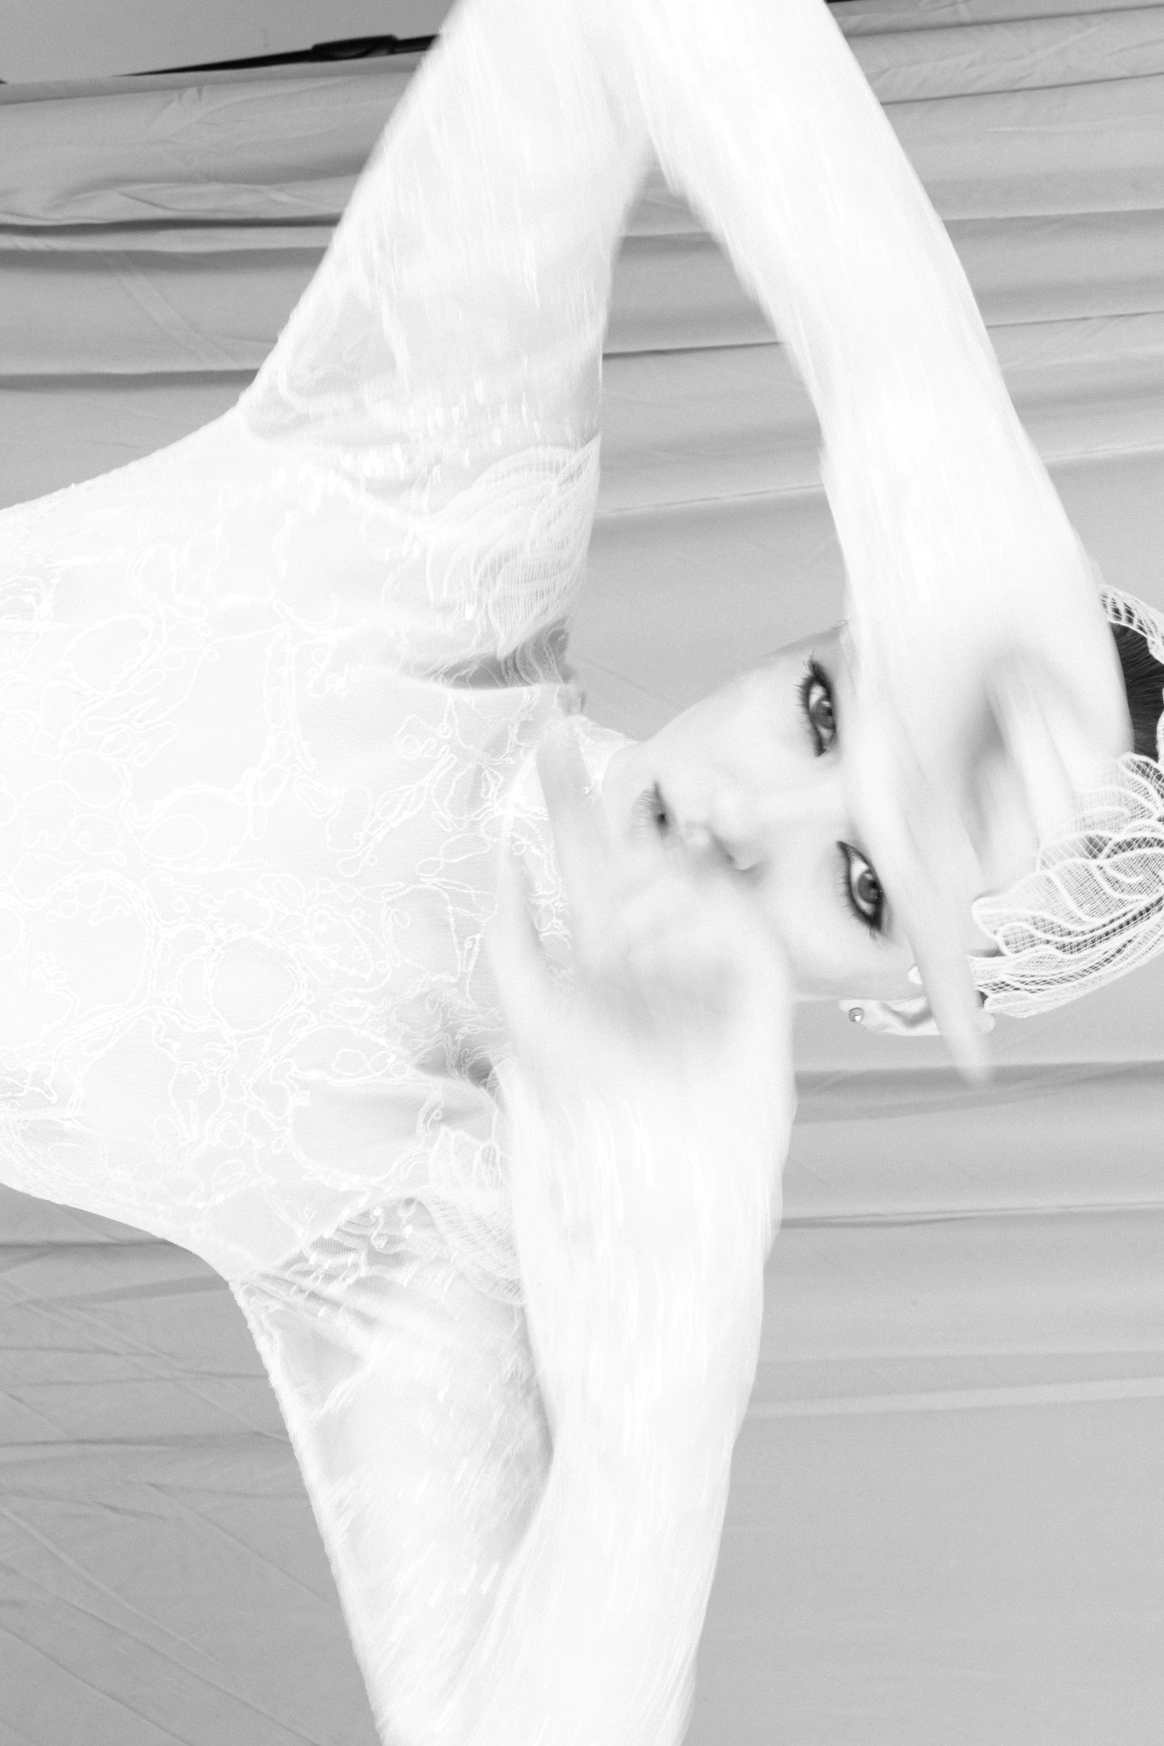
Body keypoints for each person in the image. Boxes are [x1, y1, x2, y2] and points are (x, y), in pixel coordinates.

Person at [0, 0, 1149, 1739]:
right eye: (824, 705)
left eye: (865, 884)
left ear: (907, 1005)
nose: (754, 809)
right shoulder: (431, 525)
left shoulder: (442, 1198)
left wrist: (657, 1404)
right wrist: (912, 400)